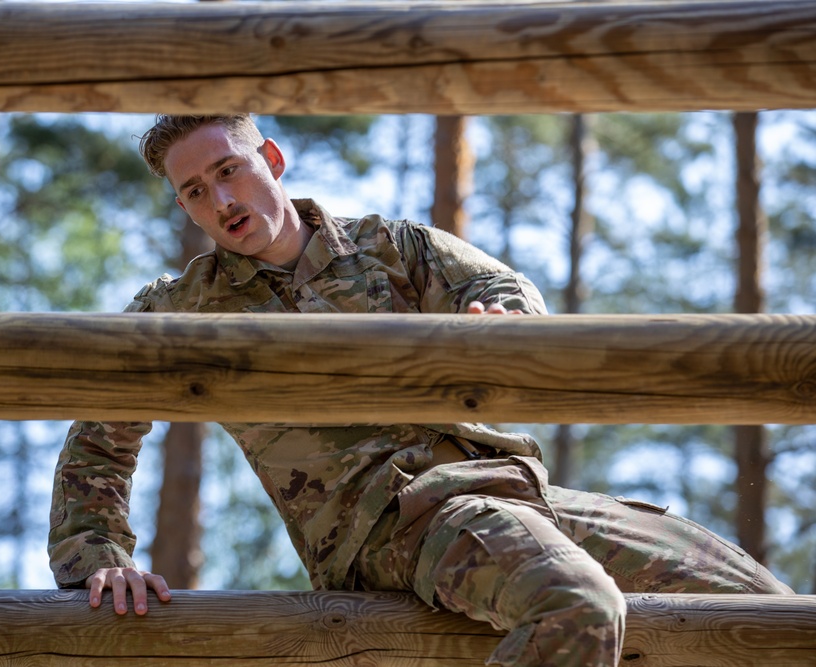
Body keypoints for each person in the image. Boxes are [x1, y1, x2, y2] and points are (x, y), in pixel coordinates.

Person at [48, 114, 792, 667]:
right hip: (392, 522)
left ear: (271, 157)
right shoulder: (182, 308)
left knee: (766, 607)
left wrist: (501, 321)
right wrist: (97, 552)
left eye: (229, 170)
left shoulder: (389, 247)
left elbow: (502, 287)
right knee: (576, 603)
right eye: (195, 191)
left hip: (507, 488)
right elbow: (99, 438)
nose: (221, 200)